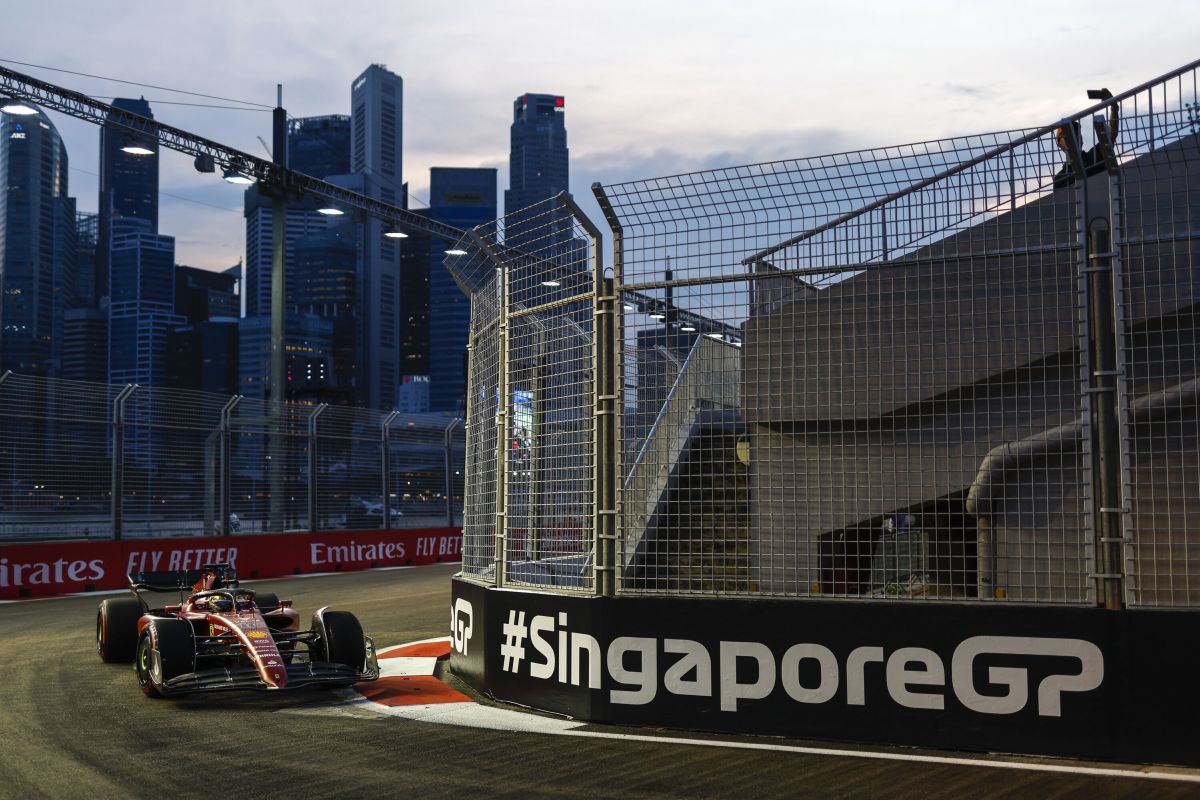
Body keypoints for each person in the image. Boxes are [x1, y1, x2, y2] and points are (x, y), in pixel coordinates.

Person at [1053, 89, 1120, 188]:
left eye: (1076, 132)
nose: (1072, 135)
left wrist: (1114, 107)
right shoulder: (1060, 178)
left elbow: (1111, 135)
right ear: (1058, 144)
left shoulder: (1094, 156)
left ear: (1082, 139)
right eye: (1064, 134)